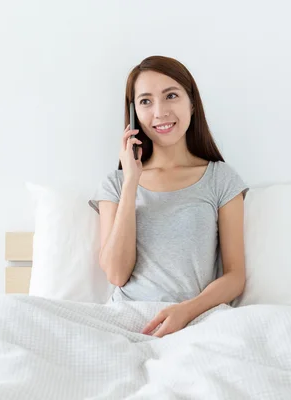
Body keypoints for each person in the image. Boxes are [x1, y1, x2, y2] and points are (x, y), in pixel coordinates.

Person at [89, 55, 249, 338]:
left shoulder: (221, 179)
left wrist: (186, 311)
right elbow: (116, 274)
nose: (159, 112)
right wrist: (131, 182)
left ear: (192, 103)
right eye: (146, 101)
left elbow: (235, 276)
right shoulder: (116, 185)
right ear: (133, 113)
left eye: (171, 96)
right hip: (127, 320)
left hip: (198, 320)